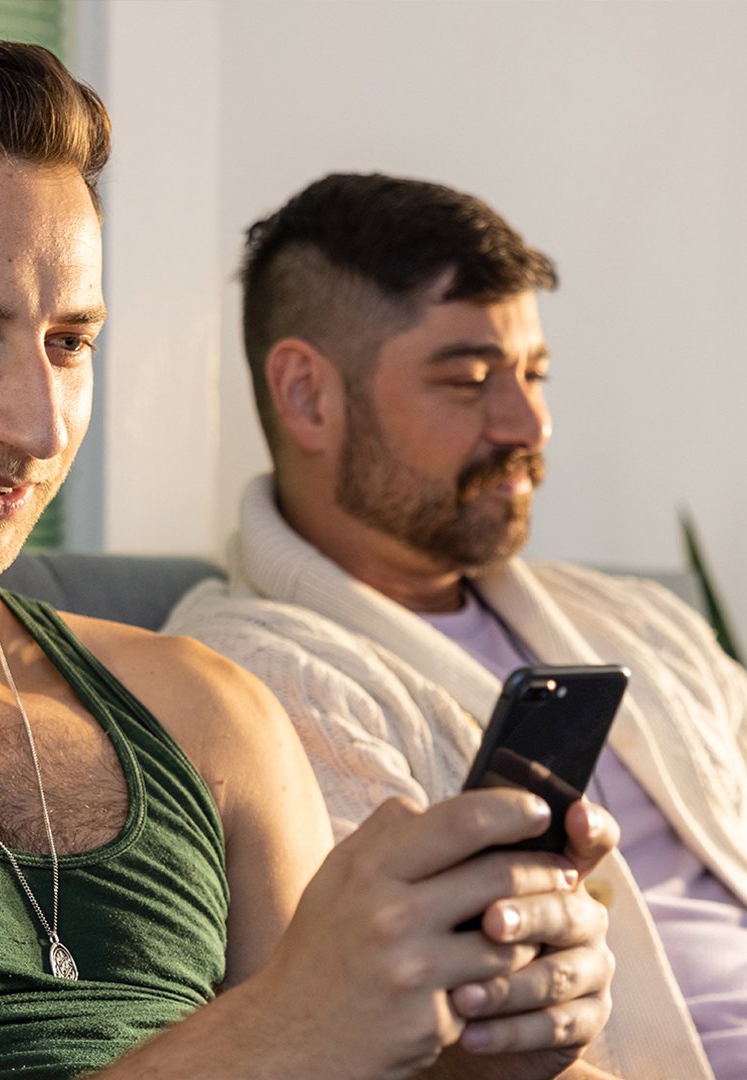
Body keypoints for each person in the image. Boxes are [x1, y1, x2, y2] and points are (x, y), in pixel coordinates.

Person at [0, 35, 618, 1079]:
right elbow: (289, 1038)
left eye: (69, 343)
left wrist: (487, 1044)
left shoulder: (203, 710)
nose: (37, 425)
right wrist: (281, 1026)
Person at [164, 171, 747, 1079]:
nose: (531, 422)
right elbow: (409, 1035)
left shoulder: (641, 619)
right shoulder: (246, 682)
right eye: (470, 379)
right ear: (308, 395)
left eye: (535, 374)